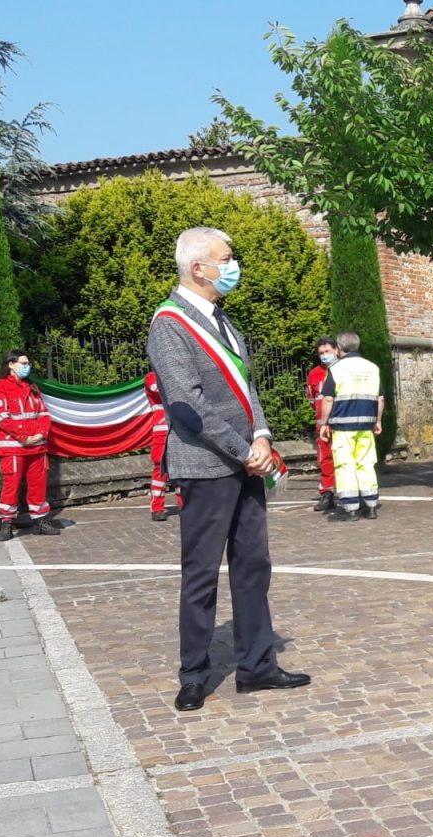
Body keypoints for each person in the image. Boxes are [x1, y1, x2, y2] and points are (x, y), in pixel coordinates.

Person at [147, 226, 309, 712]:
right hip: (206, 465)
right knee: (201, 573)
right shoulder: (170, 324)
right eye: (226, 257)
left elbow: (247, 388)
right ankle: (194, 673)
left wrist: (261, 436)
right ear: (199, 267)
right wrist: (244, 449)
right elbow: (187, 406)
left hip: (244, 462)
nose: (232, 265)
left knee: (253, 566)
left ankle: (256, 665)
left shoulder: (223, 321)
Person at [0, 350, 56, 541]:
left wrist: (41, 434)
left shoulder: (32, 387)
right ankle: (7, 524)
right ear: (10, 365)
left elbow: (44, 414)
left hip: (37, 445)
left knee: (38, 485)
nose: (28, 367)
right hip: (13, 446)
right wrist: (23, 436)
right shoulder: (0, 386)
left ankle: (40, 521)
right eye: (23, 363)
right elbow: (2, 417)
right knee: (11, 486)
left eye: (28, 363)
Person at [318, 332, 384, 522]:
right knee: (366, 464)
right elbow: (380, 398)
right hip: (365, 425)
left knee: (345, 465)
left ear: (339, 348)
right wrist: (377, 421)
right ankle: (371, 506)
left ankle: (351, 508)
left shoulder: (337, 369)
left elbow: (328, 398)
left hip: (343, 427)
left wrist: (324, 423)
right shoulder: (373, 368)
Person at [305, 337, 338, 512]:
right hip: (323, 427)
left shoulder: (343, 370)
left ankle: (354, 495)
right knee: (325, 460)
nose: (325, 355)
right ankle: (327, 494)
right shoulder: (314, 374)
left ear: (336, 350)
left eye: (327, 351)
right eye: (321, 353)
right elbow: (312, 398)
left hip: (342, 425)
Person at [144, 371, 182, 521]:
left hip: (179, 429)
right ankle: (157, 507)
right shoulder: (151, 377)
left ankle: (184, 504)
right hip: (162, 431)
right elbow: (163, 392)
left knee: (182, 470)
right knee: (160, 471)